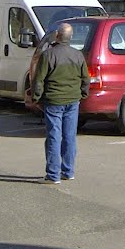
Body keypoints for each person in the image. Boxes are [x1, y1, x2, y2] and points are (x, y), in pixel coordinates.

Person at [31, 22, 89, 184]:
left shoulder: (48, 55)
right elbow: (85, 78)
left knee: (54, 136)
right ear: (70, 38)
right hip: (73, 100)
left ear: (57, 35)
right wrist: (83, 94)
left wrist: (36, 98)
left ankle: (53, 174)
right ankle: (68, 171)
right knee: (70, 136)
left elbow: (38, 80)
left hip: (53, 100)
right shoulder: (78, 55)